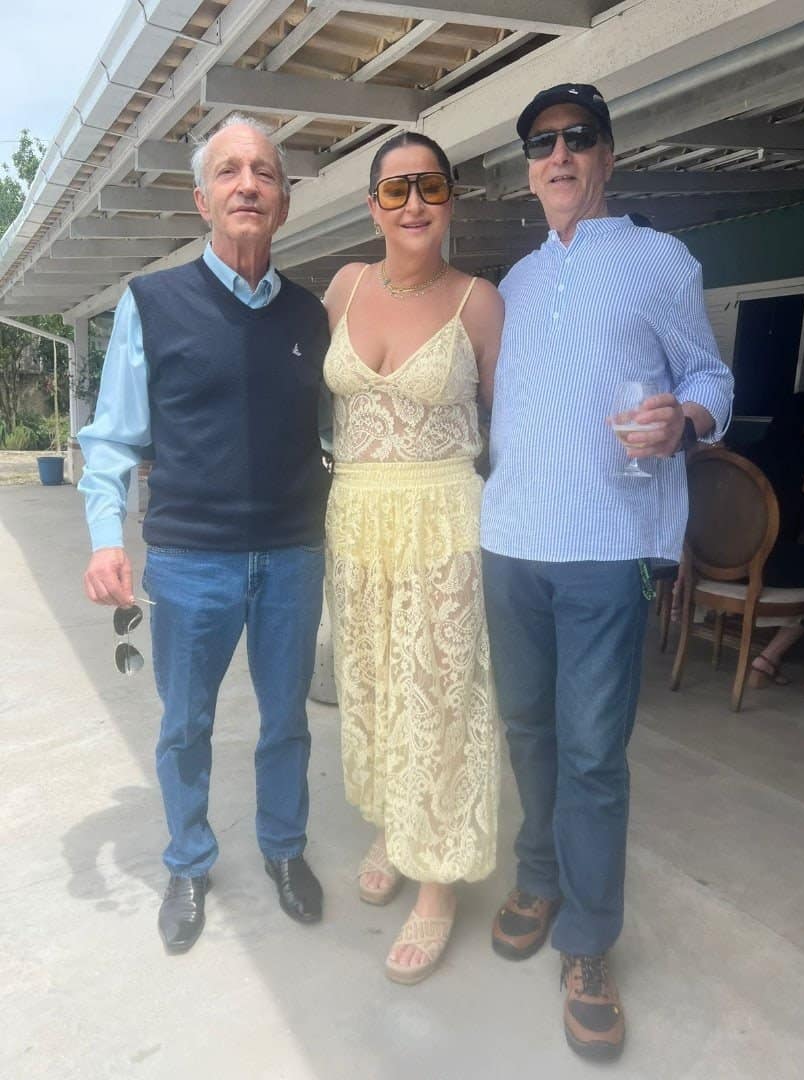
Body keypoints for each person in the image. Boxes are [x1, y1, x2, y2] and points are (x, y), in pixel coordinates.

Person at [480, 84, 734, 1059]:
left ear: (608, 156)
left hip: (603, 549)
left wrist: (687, 420)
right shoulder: (514, 282)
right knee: (527, 730)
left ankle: (587, 944)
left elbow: (710, 375)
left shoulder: (661, 261)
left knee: (592, 754)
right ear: (529, 168)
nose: (558, 155)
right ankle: (540, 877)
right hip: (512, 544)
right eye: (541, 143)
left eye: (577, 138)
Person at [78, 114, 331, 954]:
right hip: (189, 560)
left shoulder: (310, 316)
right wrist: (105, 537)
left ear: (284, 201)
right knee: (185, 724)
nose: (247, 184)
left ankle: (284, 848)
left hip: (293, 555)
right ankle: (188, 861)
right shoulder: (152, 304)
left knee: (286, 719)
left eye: (264, 172)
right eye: (229, 171)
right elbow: (113, 437)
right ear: (201, 199)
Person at [322, 132, 503, 984]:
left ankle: (438, 884)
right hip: (357, 521)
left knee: (440, 693)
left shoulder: (479, 302)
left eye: (430, 186)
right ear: (373, 207)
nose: (414, 204)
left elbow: (507, 426)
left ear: (451, 198)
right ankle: (396, 826)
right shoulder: (345, 287)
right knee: (375, 684)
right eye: (395, 190)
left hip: (442, 521)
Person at [743, 392, 804, 686]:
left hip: (717, 565)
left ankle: (768, 660)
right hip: (767, 566)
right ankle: (769, 657)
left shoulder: (742, 455)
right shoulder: (803, 461)